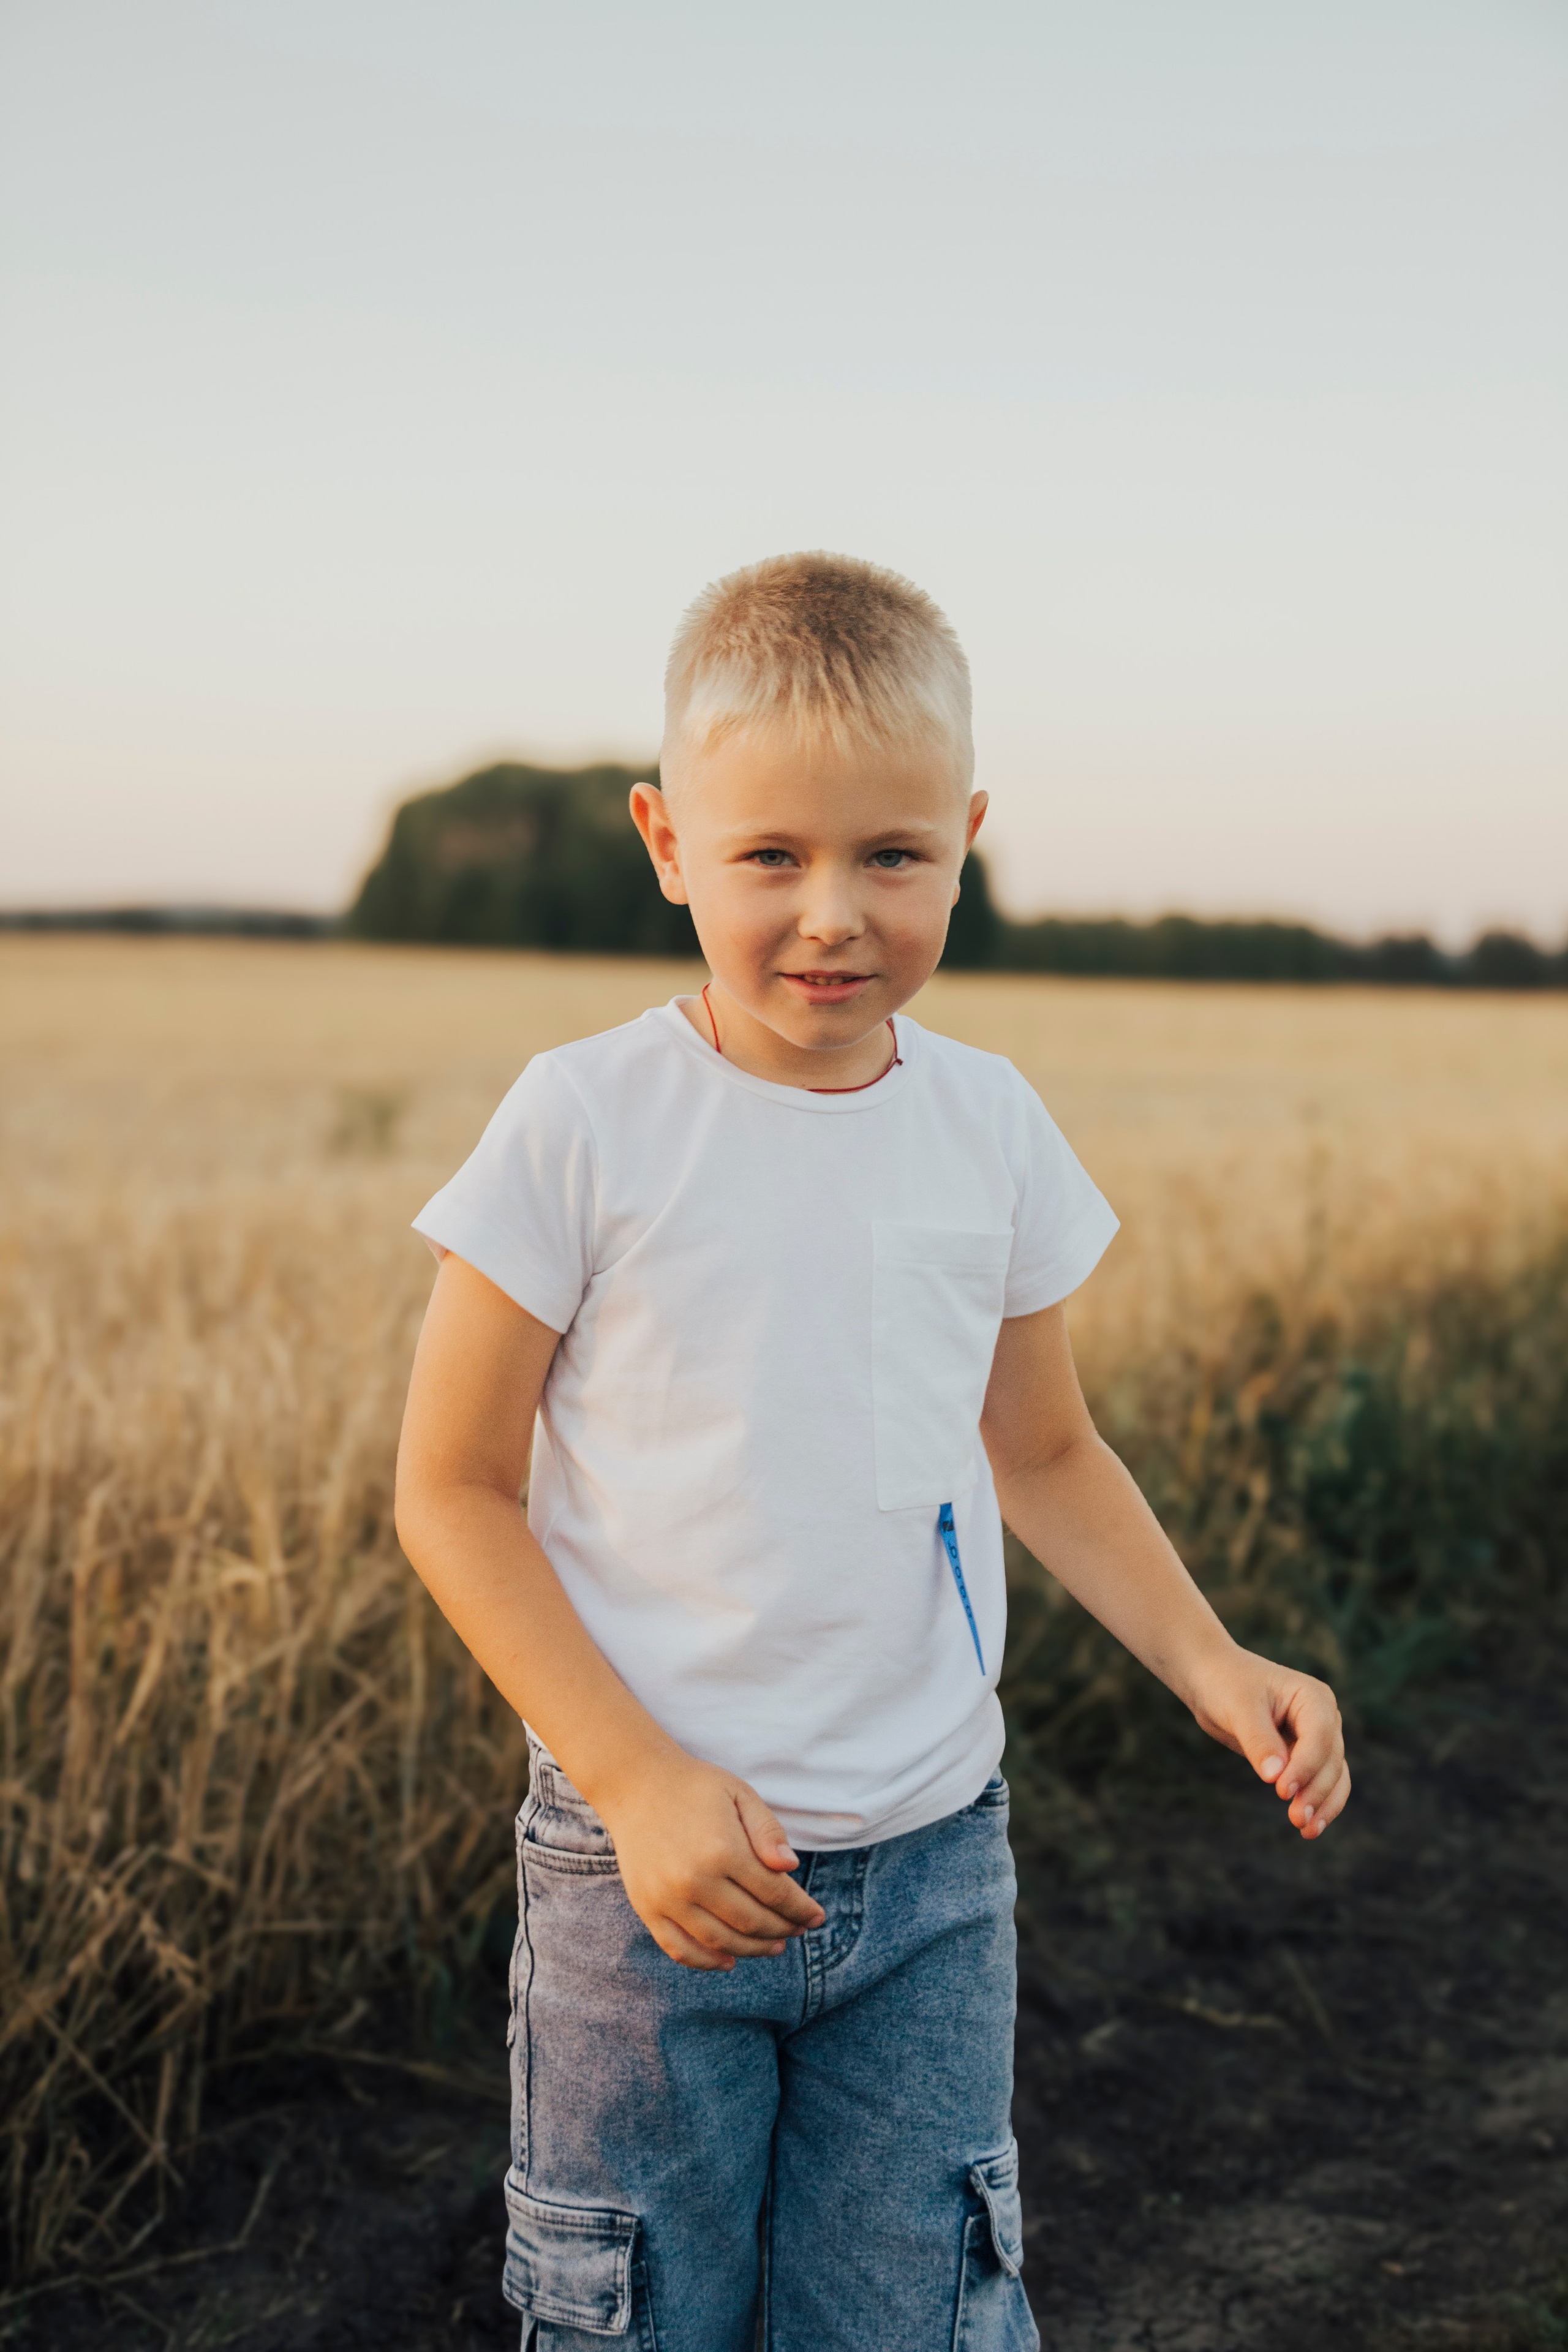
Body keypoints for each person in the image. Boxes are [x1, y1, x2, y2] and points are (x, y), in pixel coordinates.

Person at [394, 552, 1351, 2352]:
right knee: (642, 2323)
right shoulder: (585, 1123)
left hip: (932, 1875)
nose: (833, 915)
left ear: (966, 839)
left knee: (904, 2318)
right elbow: (449, 1491)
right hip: (648, 1883)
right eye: (771, 857)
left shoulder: (986, 1127)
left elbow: (1047, 1450)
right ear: (667, 842)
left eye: (892, 857)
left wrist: (1213, 1663)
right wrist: (637, 1779)